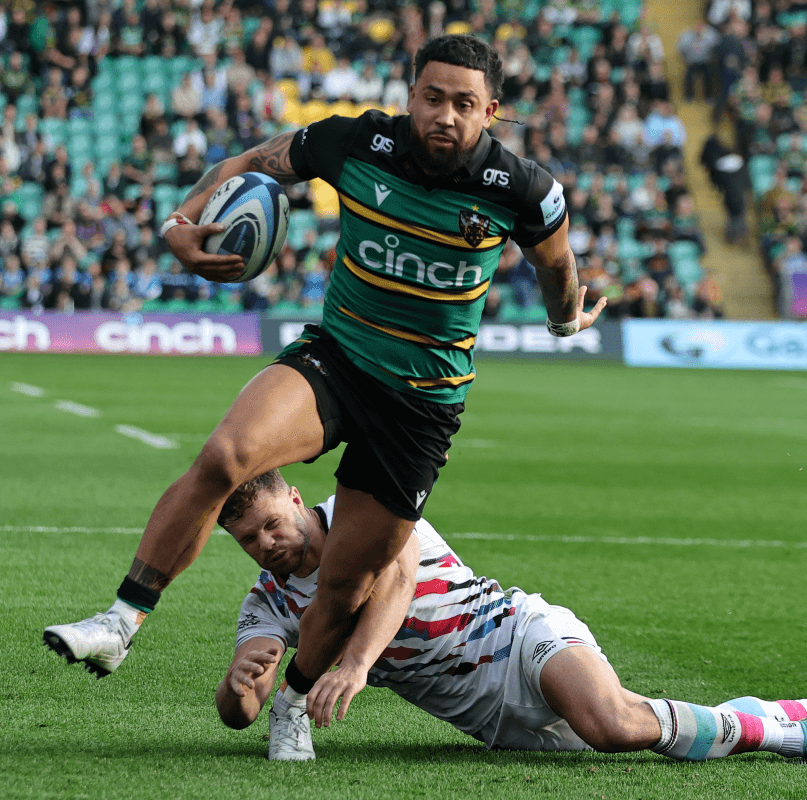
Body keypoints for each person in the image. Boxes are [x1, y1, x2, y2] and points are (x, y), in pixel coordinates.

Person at [43, 34, 608, 718]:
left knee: (344, 584)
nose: (445, 116)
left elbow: (555, 264)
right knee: (226, 456)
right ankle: (119, 622)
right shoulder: (356, 143)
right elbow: (250, 160)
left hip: (420, 407)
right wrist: (180, 221)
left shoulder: (523, 189)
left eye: (464, 104)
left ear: (490, 110)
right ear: (410, 96)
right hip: (337, 358)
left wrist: (562, 320)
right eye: (432, 98)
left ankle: (293, 700)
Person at [213, 471, 807, 763]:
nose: (267, 544)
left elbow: (398, 576)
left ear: (295, 496)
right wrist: (244, 685)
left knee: (613, 723)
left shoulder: (362, 513)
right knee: (646, 719)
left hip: (515, 634)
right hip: (492, 721)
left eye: (273, 524)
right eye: (248, 539)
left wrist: (355, 663)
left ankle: (804, 741)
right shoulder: (267, 600)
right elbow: (239, 712)